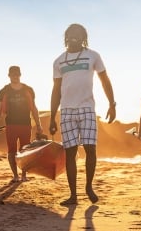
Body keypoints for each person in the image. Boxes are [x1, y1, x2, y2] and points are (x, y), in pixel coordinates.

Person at [49, 23, 116, 205]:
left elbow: (105, 80)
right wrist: (53, 116)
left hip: (87, 108)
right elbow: (56, 90)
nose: (74, 37)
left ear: (83, 37)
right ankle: (73, 195)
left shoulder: (93, 56)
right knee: (70, 153)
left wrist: (112, 103)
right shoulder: (59, 61)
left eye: (78, 35)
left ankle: (88, 186)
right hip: (66, 111)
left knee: (90, 149)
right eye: (71, 34)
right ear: (66, 37)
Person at [0, 65, 44, 183]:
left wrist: (39, 124)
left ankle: (24, 175)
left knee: (24, 151)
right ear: (9, 75)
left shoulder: (28, 89)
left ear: (20, 75)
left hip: (26, 124)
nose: (15, 76)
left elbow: (34, 108)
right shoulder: (4, 90)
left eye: (17, 74)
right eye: (13, 74)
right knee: (12, 151)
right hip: (11, 125)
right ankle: (15, 176)